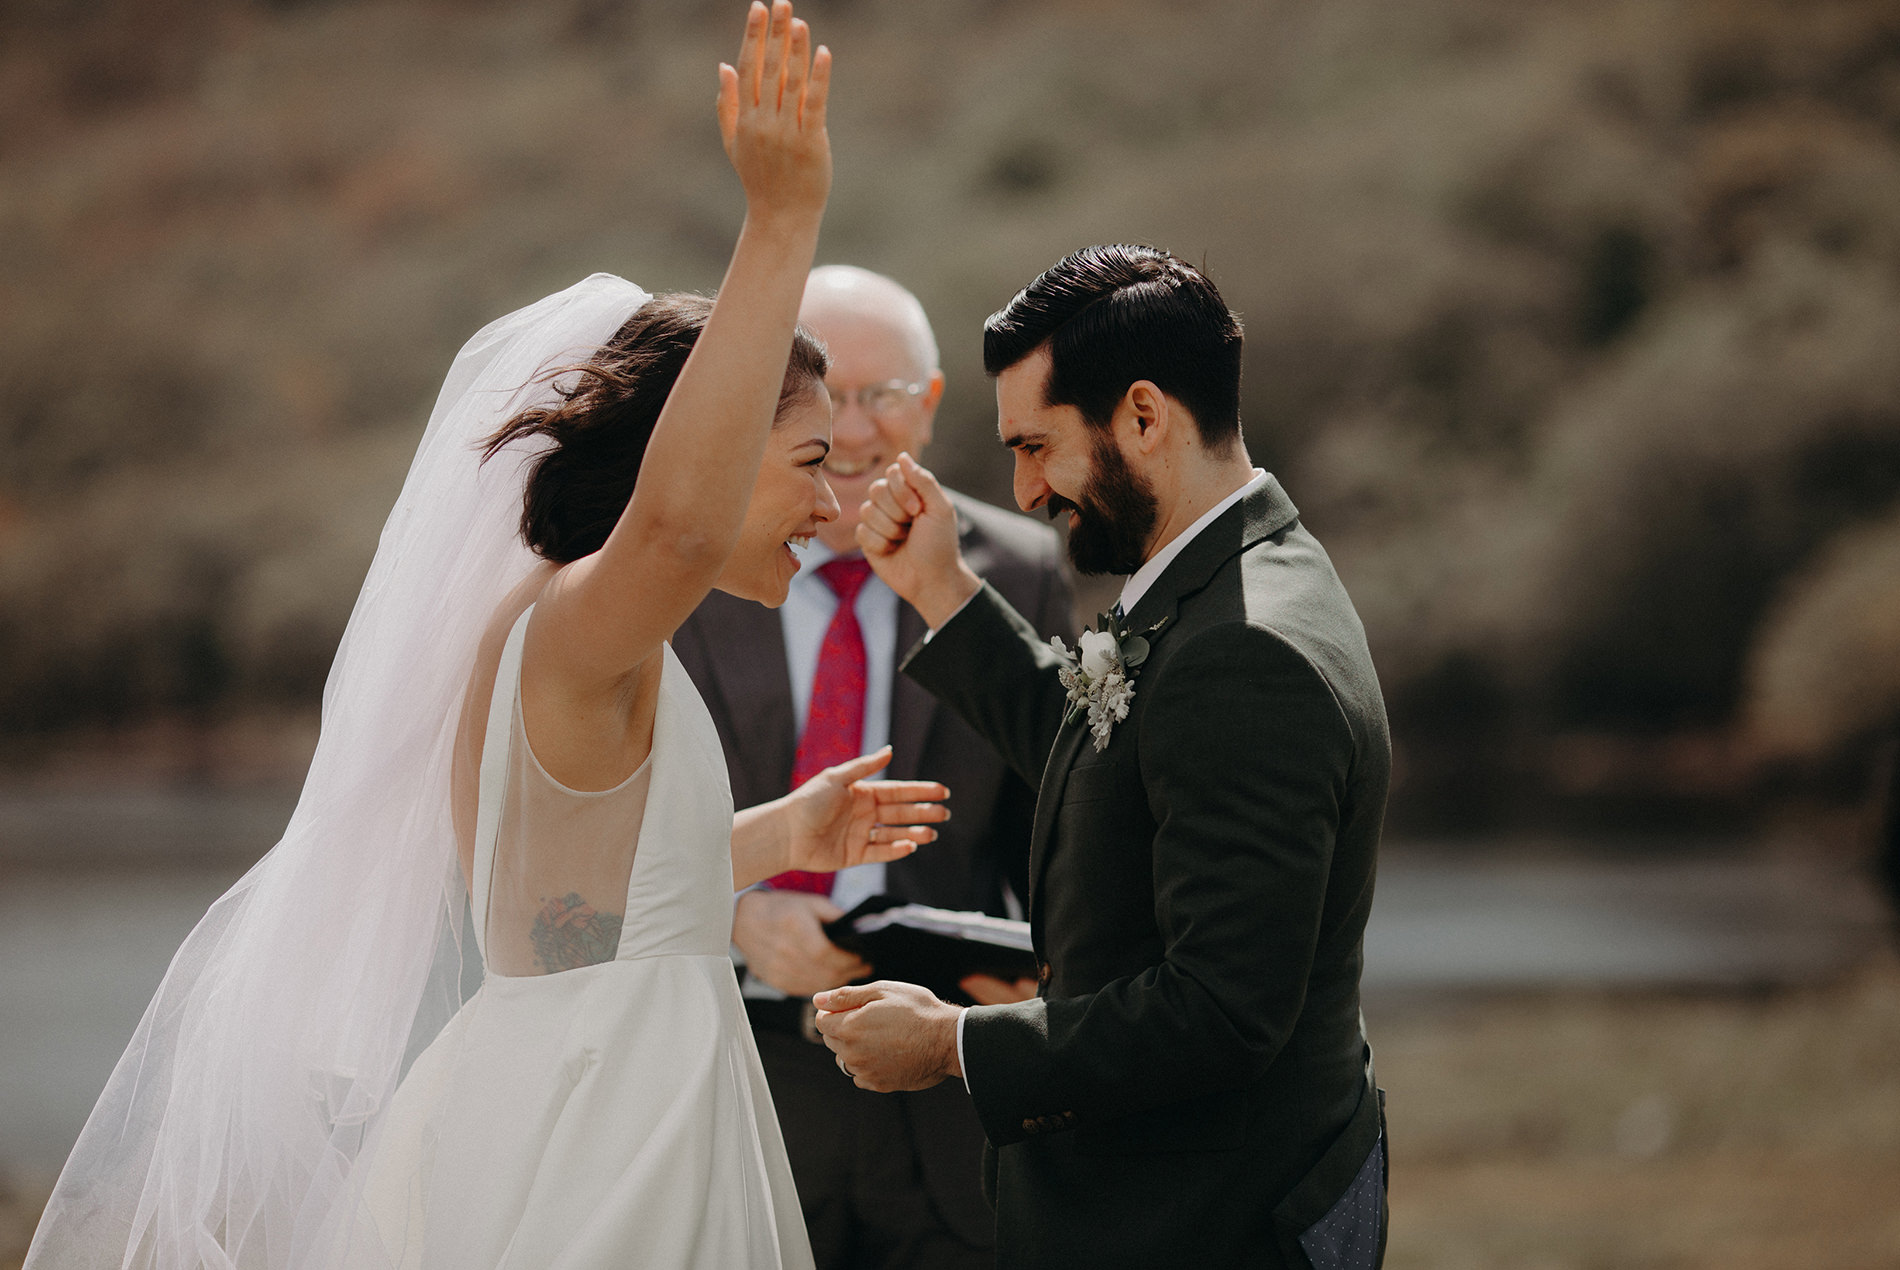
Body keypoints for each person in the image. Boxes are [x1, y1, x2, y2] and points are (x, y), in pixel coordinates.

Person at [26, 6, 949, 1268]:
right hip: (602, 1120)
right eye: (801, 462)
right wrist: (780, 220)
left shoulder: (570, 636)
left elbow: (577, 899)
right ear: (697, 462)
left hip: (602, 1081)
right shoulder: (581, 620)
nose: (831, 503)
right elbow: (676, 531)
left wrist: (780, 836)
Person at [813, 244, 1392, 1268]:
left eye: (1036, 446)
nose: (1024, 490)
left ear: (1141, 414)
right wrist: (943, 589)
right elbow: (1115, 763)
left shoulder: (1247, 650)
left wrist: (949, 1043)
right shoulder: (1236, 570)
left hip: (1201, 1224)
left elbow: (1216, 1013)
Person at [673, 264, 1074, 1268]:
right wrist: (728, 917)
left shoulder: (1018, 567)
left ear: (930, 406)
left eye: (882, 395)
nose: (853, 433)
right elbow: (589, 838)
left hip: (941, 1094)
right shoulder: (678, 567)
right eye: (822, 402)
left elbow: (1056, 836)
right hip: (724, 1079)